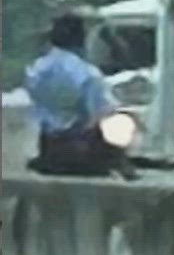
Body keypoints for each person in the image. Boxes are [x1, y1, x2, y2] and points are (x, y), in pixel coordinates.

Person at [24, 13, 124, 178]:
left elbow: (36, 104)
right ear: (81, 38)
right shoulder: (87, 73)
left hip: (47, 145)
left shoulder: (36, 70)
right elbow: (100, 113)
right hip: (79, 148)